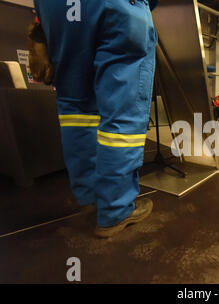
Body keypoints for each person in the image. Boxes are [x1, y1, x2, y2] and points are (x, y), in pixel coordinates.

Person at [32, 0, 158, 237]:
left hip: (57, 8)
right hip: (115, 6)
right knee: (123, 115)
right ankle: (115, 210)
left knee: (76, 110)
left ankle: (90, 196)